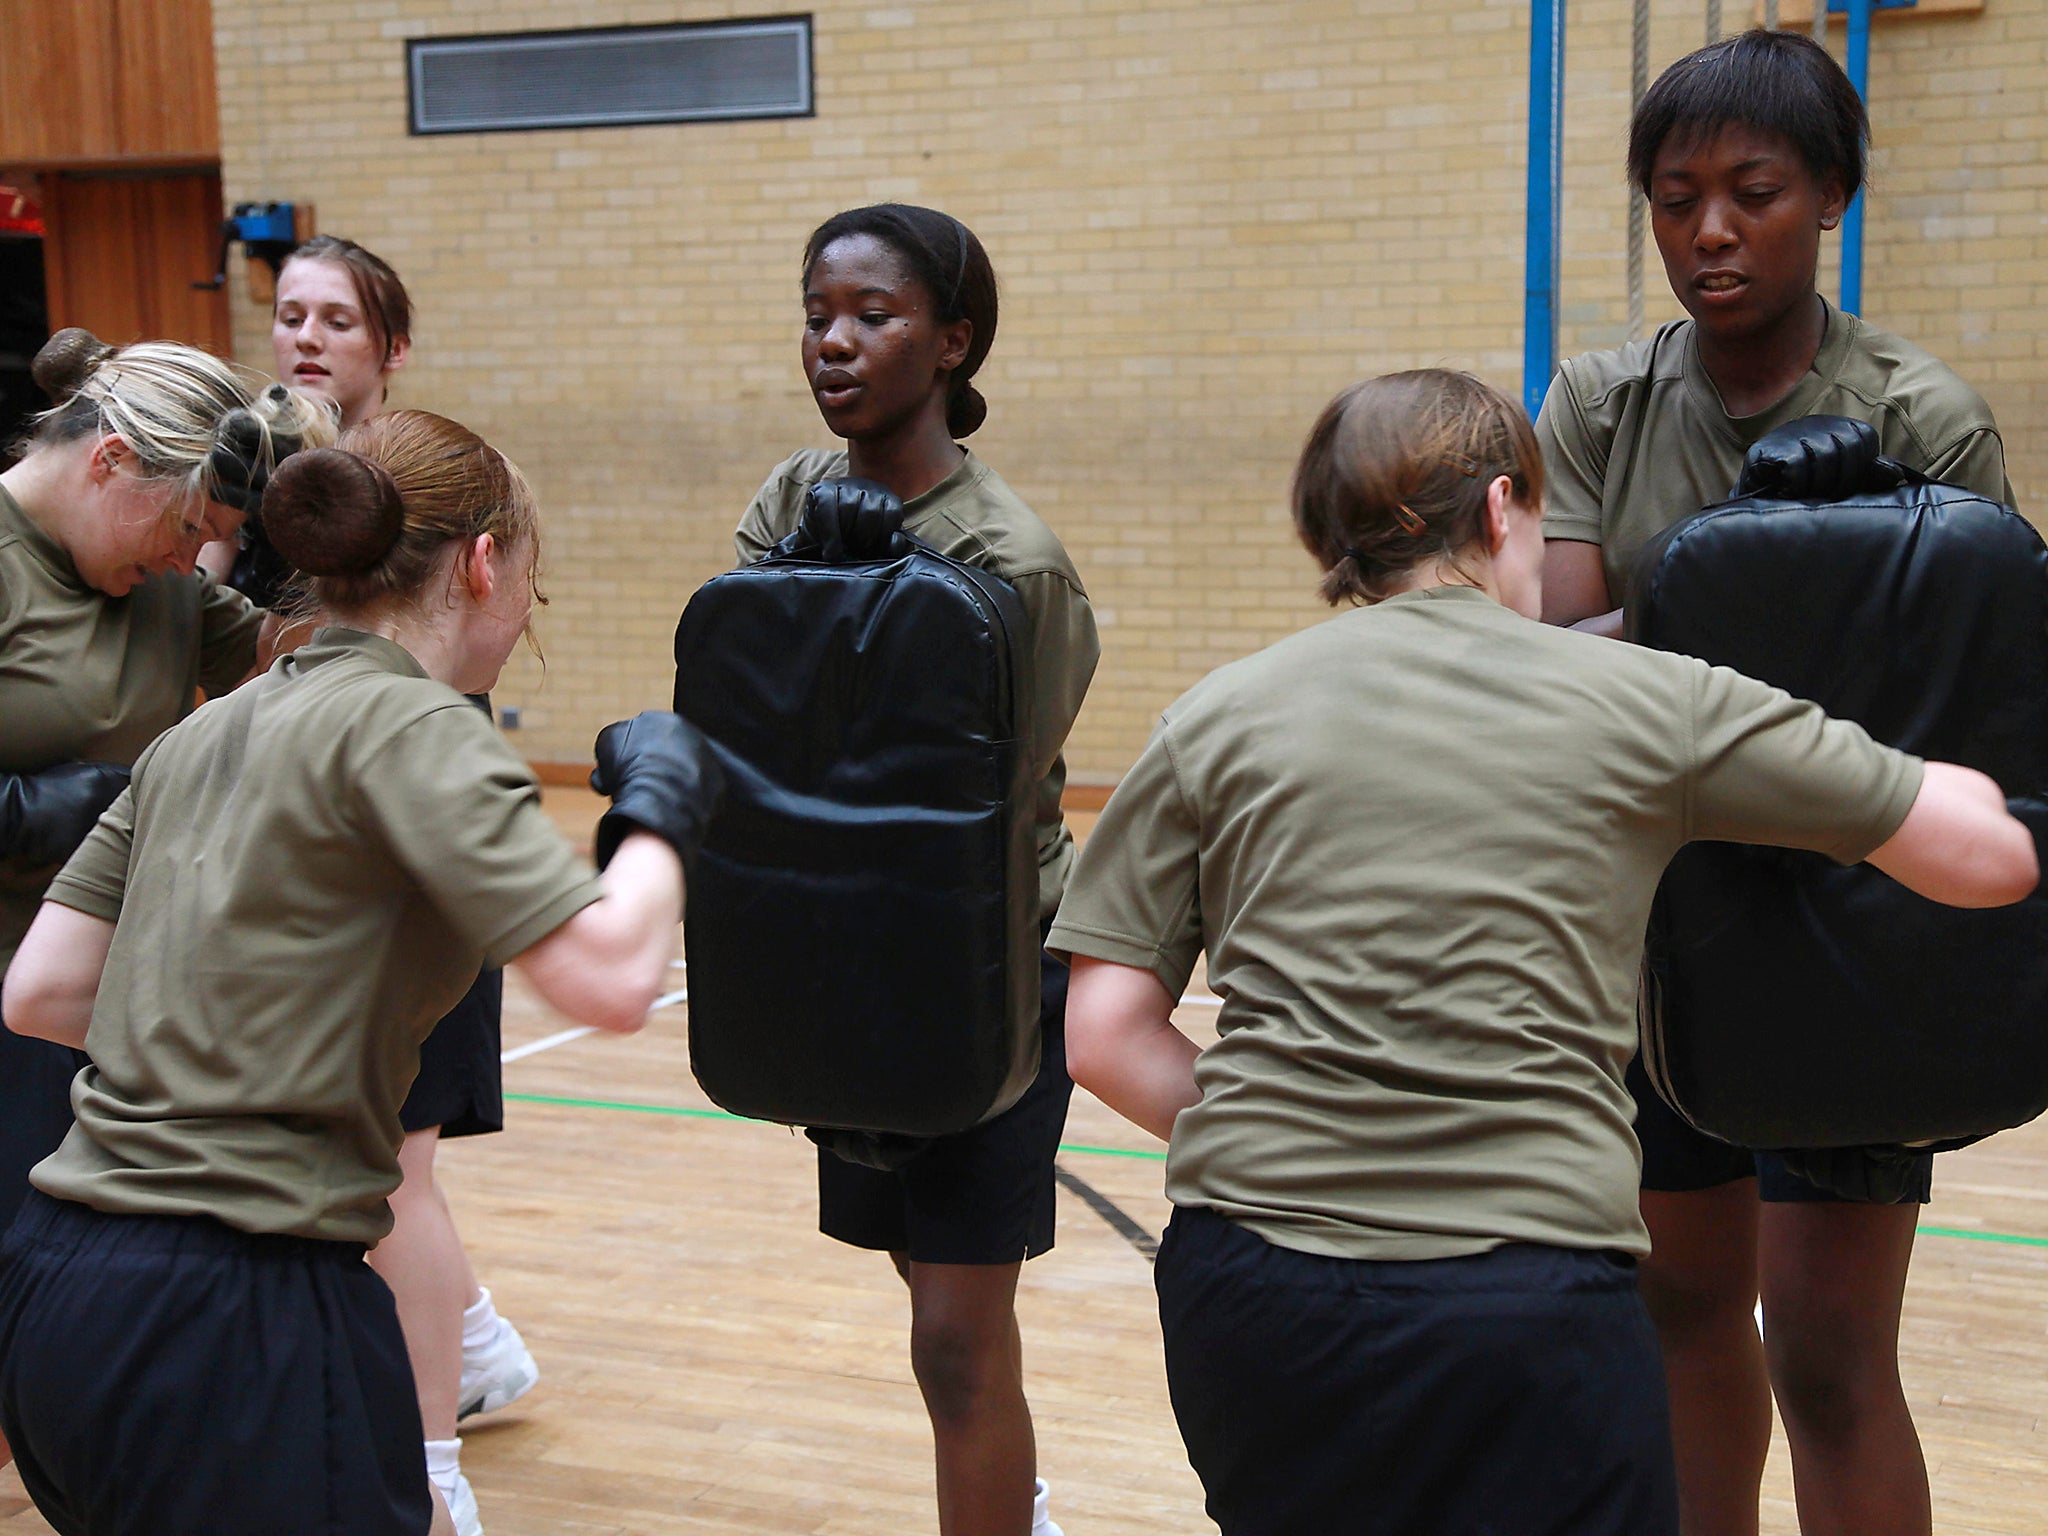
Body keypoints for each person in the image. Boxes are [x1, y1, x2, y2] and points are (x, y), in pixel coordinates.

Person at [1049, 368, 2036, 1536]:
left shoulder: (1211, 714)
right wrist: (1857, 592)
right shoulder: (1642, 699)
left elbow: (1104, 1038)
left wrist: (1317, 1127)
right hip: (1518, 1303)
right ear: (1502, 507)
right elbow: (1985, 857)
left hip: (1251, 1293)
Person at [0, 409, 723, 1536]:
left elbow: (40, 992)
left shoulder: (199, 734)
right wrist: (665, 807)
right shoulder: (415, 724)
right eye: (532, 578)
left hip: (56, 1294)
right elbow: (612, 977)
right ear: (484, 564)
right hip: (235, 1314)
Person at [1536, 31, 2012, 1536]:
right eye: (1676, 199)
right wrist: (1741, 625)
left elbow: (1977, 702)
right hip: (1664, 929)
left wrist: (1681, 637)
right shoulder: (1604, 404)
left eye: (1753, 192)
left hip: (1856, 932)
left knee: (1827, 1353)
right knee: (1683, 1319)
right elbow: (1552, 660)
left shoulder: (1922, 417)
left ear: (1832, 199)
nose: (1711, 232)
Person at [732, 203, 1099, 1536]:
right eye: (818, 314)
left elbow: (1000, 784)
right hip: (841, 950)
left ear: (950, 342)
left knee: (954, 1330)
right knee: (924, 1286)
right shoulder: (788, 500)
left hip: (985, 963)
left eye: (872, 317)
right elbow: (748, 710)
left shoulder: (1010, 557)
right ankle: (1018, 1494)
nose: (835, 342)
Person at [224, 234, 530, 1535]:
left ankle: (434, 1473)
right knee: (379, 1163)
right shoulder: (254, 494)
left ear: (390, 348)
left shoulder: (430, 496)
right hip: (299, 874)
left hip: (409, 866)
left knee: (397, 1166)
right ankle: (474, 1344)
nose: (305, 337)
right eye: (288, 314)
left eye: (336, 319)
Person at [0, 328, 325, 1468]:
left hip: (93, 1008)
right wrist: (57, 809)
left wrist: (310, 529)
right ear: (109, 459)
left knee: (65, 1331)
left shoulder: (167, 591)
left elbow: (319, 663)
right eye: (183, 525)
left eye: (212, 538)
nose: (194, 558)